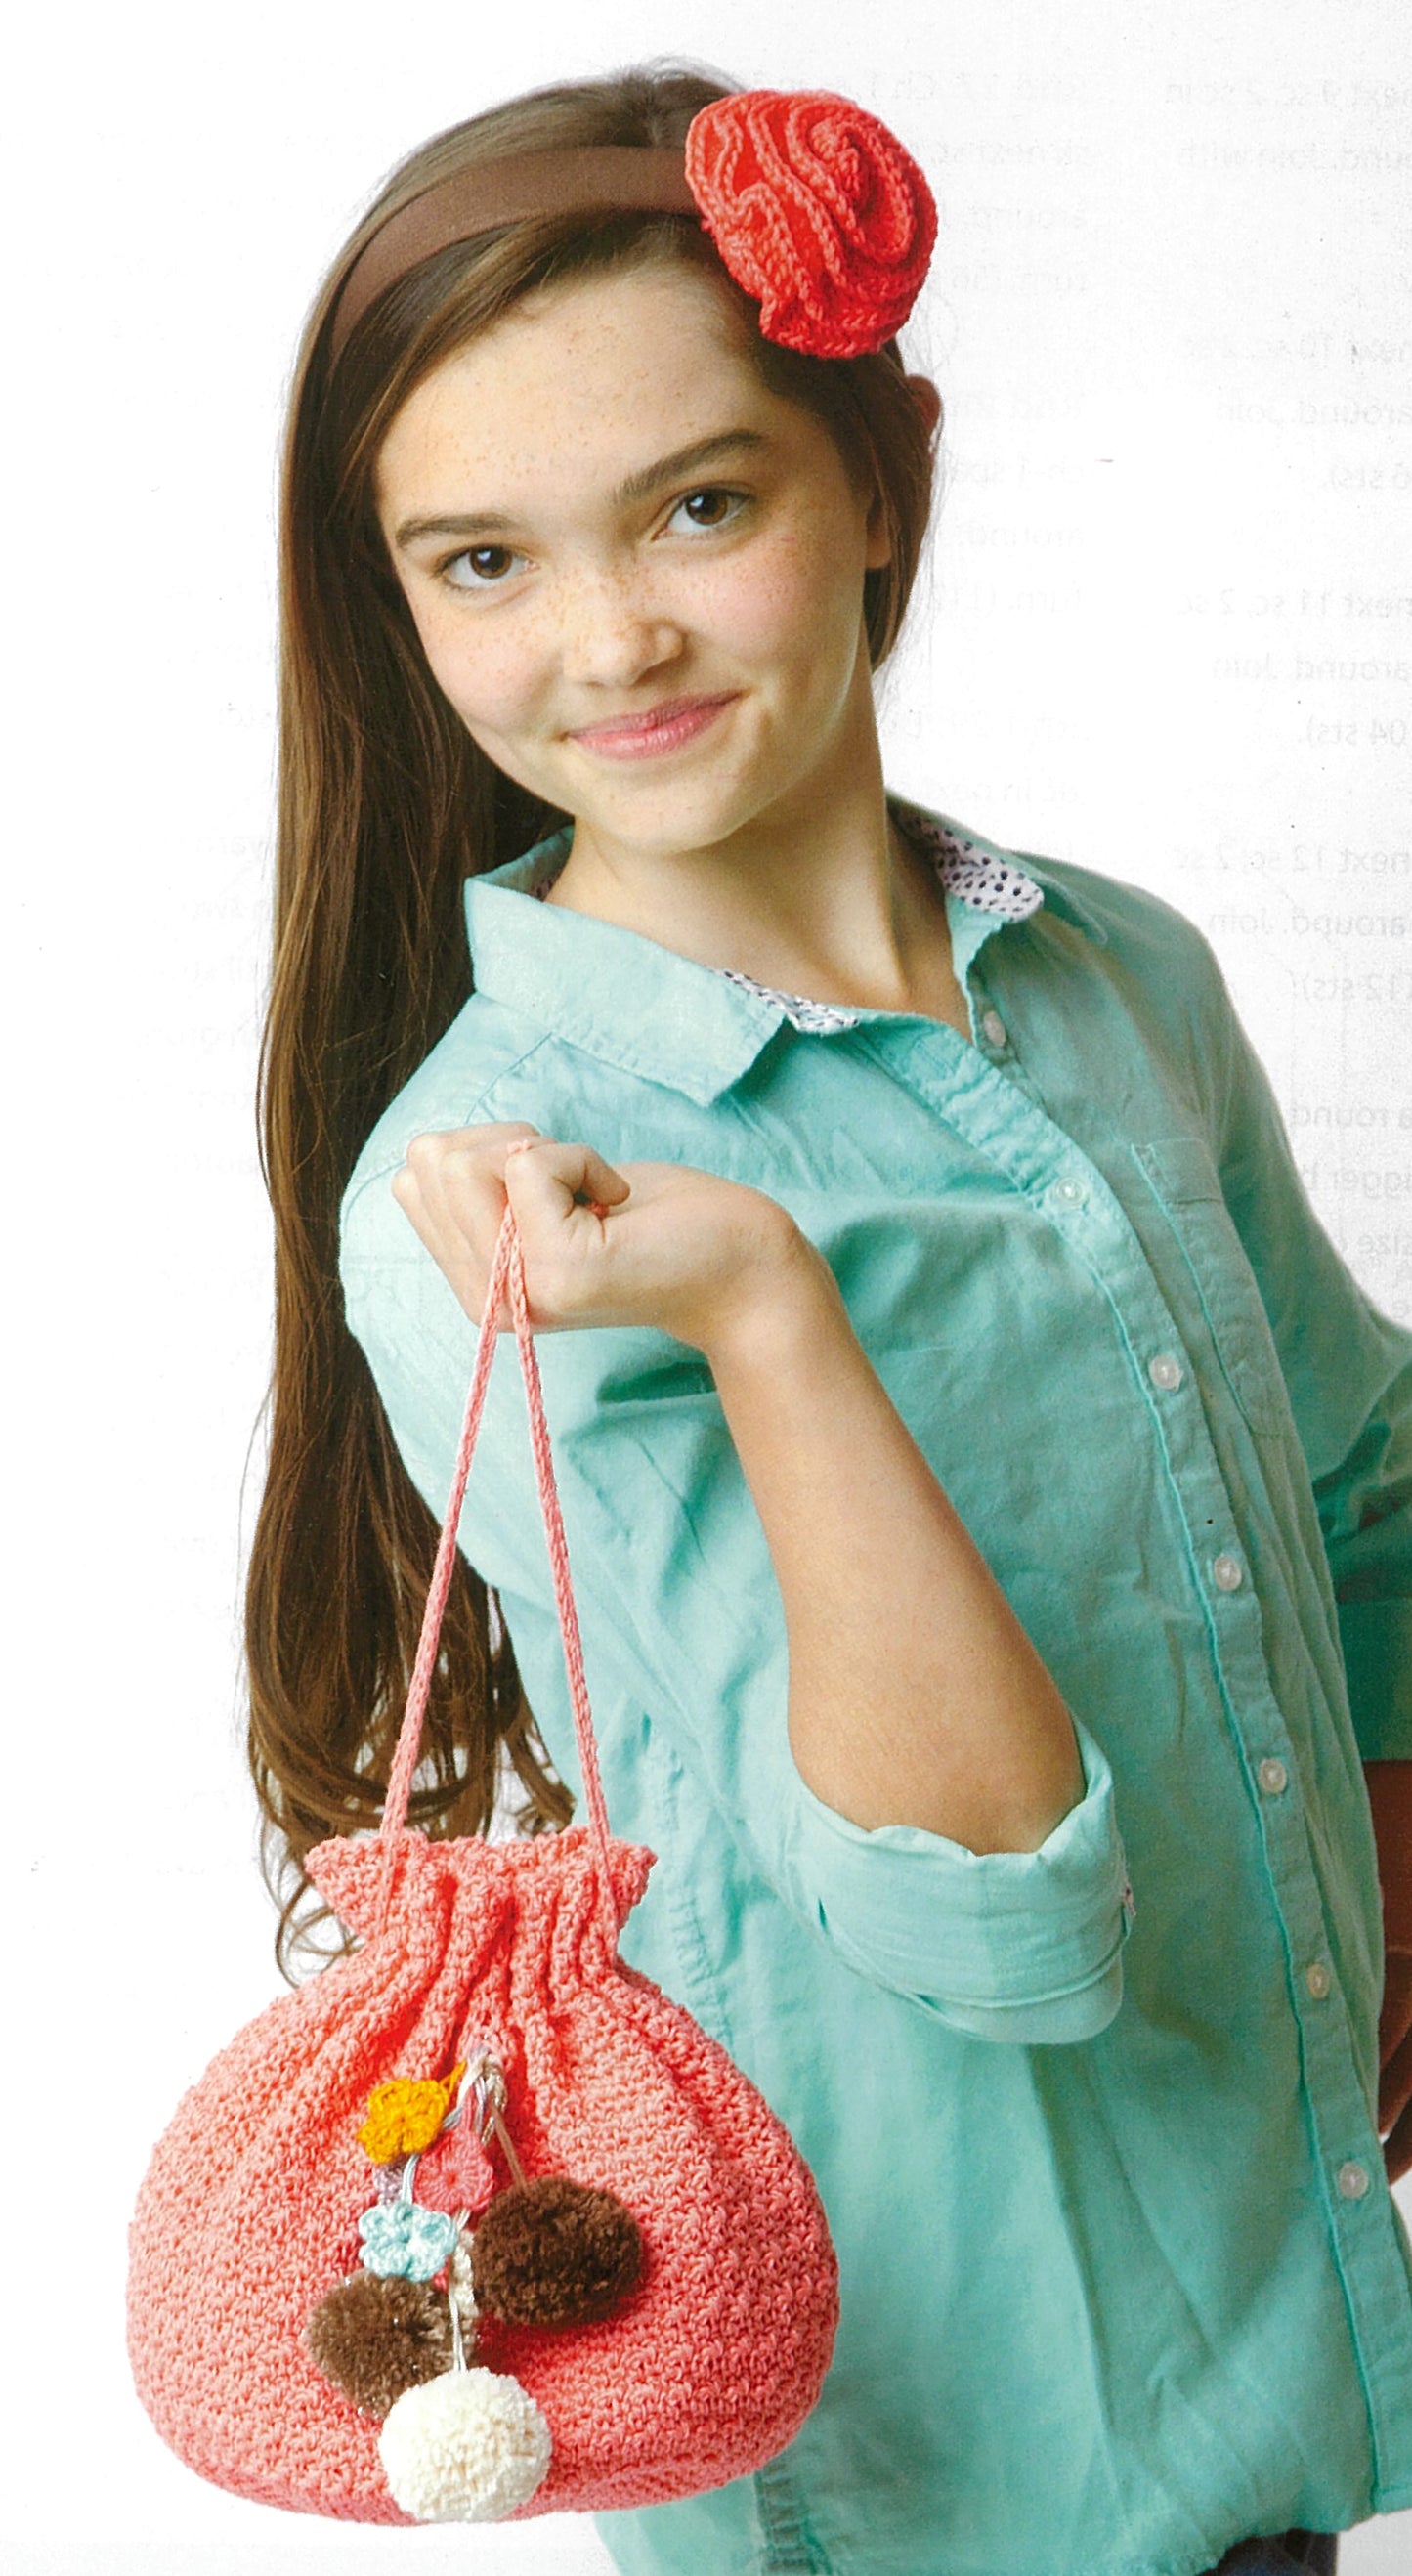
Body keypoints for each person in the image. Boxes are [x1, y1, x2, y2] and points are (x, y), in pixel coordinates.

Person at [244, 57, 1412, 2576]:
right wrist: (767, 1309)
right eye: (482, 563)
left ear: (883, 474)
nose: (611, 639)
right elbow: (989, 1913)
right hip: (944, 2460)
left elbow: (1358, 1481)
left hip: (1271, 2334)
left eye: (699, 501)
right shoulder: (485, 1206)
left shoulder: (1114, 982)